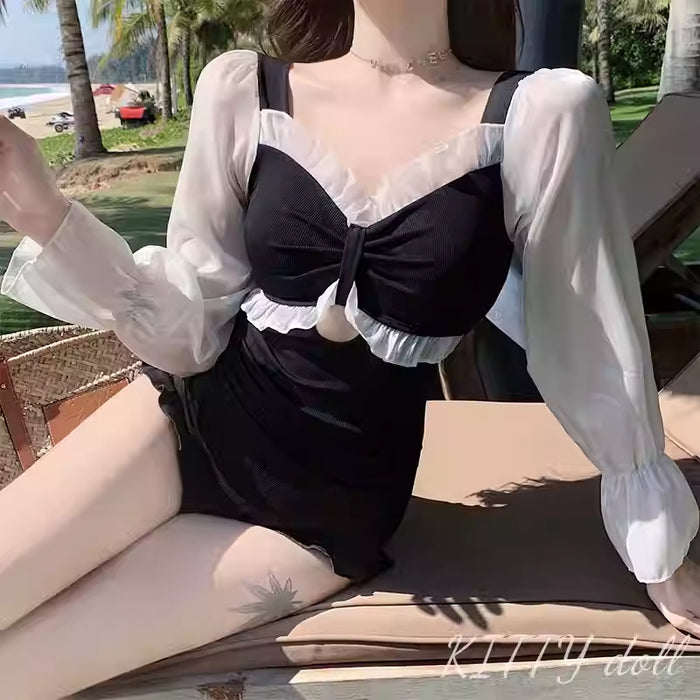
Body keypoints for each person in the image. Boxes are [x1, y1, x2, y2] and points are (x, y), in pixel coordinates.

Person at [0, 0, 698, 696]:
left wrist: (656, 541)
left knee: (18, 672)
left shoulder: (540, 114)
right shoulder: (243, 90)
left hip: (331, 509)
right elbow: (192, 333)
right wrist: (45, 214)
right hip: (188, 419)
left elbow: (591, 335)